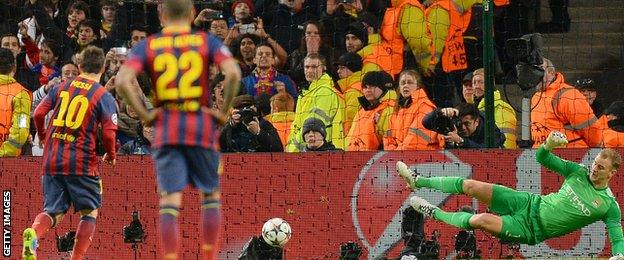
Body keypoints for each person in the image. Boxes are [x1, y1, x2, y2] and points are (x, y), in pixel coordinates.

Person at [115, 0, 242, 259]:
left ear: (161, 15)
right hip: (200, 125)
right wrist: (222, 112)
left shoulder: (148, 44)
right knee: (210, 196)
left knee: (170, 200)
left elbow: (122, 80)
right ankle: (208, 256)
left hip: (166, 127)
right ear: (193, 13)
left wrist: (146, 115)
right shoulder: (206, 41)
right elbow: (234, 74)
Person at [396, 131, 624, 258]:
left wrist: (619, 255)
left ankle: (434, 213)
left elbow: (617, 237)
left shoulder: (608, 205)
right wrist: (548, 144)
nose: (594, 169)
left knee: (480, 220)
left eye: (601, 168)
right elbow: (542, 158)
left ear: (612, 173)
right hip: (529, 202)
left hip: (530, 229)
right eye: (595, 163)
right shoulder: (578, 172)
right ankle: (418, 180)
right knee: (471, 186)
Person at [23, 46, 118, 260]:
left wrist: (43, 135)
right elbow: (110, 135)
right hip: (82, 162)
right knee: (89, 211)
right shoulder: (103, 95)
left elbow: (38, 112)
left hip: (52, 159)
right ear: (103, 67)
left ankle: (33, 234)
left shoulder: (61, 87)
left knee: (53, 212)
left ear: (79, 66)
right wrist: (111, 155)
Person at [0, 48, 31, 157]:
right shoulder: (20, 94)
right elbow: (21, 128)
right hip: (7, 162)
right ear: (14, 66)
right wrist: (5, 152)